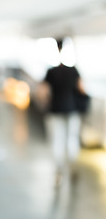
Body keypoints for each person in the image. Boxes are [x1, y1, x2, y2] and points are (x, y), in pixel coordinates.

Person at [42, 38, 86, 186]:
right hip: (72, 109)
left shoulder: (51, 71)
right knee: (71, 139)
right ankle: (72, 168)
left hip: (55, 110)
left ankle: (58, 172)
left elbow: (43, 92)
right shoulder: (74, 70)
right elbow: (82, 89)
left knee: (57, 142)